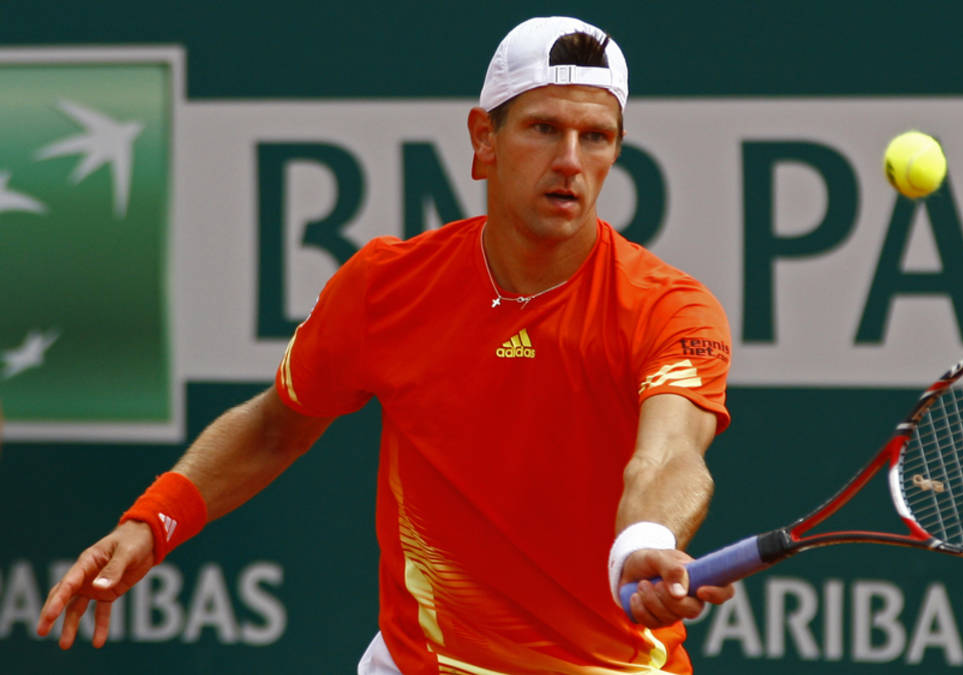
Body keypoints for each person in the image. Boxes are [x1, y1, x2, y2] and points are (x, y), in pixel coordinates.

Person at [38, 16, 735, 674]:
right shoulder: (385, 285)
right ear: (484, 139)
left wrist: (645, 542)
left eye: (597, 137)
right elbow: (277, 426)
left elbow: (669, 455)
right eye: (544, 128)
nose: (571, 161)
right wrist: (151, 523)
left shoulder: (668, 308)